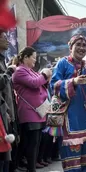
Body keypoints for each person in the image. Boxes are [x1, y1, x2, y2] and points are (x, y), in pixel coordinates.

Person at [50, 34, 86, 172]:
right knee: (73, 167)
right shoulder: (62, 63)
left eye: (84, 45)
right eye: (78, 45)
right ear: (70, 47)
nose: (81, 48)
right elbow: (53, 85)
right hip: (70, 118)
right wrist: (72, 81)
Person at [12, 47, 52, 172]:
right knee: (31, 144)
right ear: (25, 58)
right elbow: (34, 83)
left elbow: (41, 85)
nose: (35, 60)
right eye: (33, 57)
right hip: (29, 113)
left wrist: (46, 78)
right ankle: (30, 168)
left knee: (36, 143)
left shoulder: (30, 71)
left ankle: (30, 167)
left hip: (38, 112)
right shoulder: (19, 71)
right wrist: (45, 74)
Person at [0, 32, 18, 172]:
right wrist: (8, 73)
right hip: (1, 111)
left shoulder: (2, 60)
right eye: (4, 38)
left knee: (6, 153)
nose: (7, 41)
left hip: (4, 110)